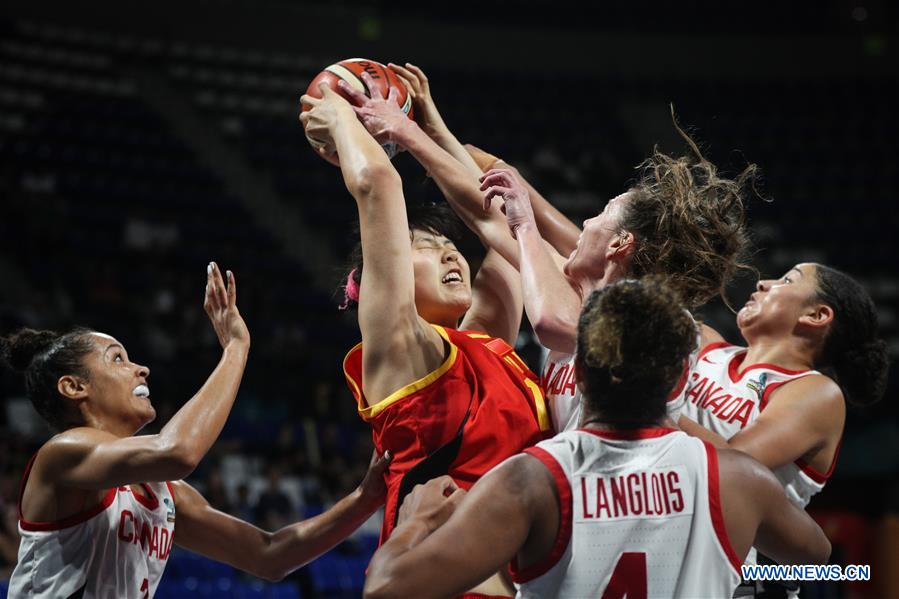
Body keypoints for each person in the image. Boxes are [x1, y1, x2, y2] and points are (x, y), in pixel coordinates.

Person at [341, 65, 755, 433]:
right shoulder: (574, 287)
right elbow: (485, 213)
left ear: (620, 244)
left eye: (602, 213)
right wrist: (426, 132)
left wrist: (408, 135)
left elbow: (552, 321)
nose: (586, 223)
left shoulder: (643, 321)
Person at [362, 278, 831, 599]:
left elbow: (386, 590)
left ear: (579, 375)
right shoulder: (736, 478)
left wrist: (416, 523)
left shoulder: (530, 480)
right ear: (679, 382)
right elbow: (816, 554)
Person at [2, 263, 390, 598]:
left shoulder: (165, 493)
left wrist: (364, 497)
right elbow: (179, 452)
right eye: (117, 358)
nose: (141, 368)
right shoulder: (62, 455)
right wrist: (236, 348)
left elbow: (269, 556)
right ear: (74, 387)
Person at [301, 78, 551, 597]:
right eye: (426, 246)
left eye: (449, 248)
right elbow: (378, 186)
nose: (451, 254)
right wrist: (342, 115)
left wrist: (425, 130)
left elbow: (499, 224)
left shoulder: (487, 348)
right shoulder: (400, 352)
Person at [677, 263, 889, 516]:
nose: (763, 283)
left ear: (816, 315)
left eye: (787, 280)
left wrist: (649, 409)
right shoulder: (706, 343)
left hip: (718, 548)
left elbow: (734, 462)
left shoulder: (817, 392)